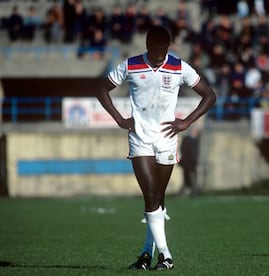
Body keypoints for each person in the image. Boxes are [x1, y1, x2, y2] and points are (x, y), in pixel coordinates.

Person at [96, 25, 216, 270]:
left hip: (167, 138)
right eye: (157, 50)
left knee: (158, 199)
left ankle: (144, 256)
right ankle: (166, 255)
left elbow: (209, 95)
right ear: (148, 46)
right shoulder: (130, 65)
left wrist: (188, 121)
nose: (161, 55)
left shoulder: (179, 67)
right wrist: (120, 119)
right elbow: (101, 89)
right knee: (150, 194)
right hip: (139, 138)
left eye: (164, 51)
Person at [178, 126, 201, 196]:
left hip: (192, 164)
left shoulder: (196, 140)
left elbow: (195, 153)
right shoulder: (186, 139)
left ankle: (193, 193)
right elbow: (185, 151)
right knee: (187, 180)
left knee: (191, 180)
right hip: (187, 164)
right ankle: (182, 194)